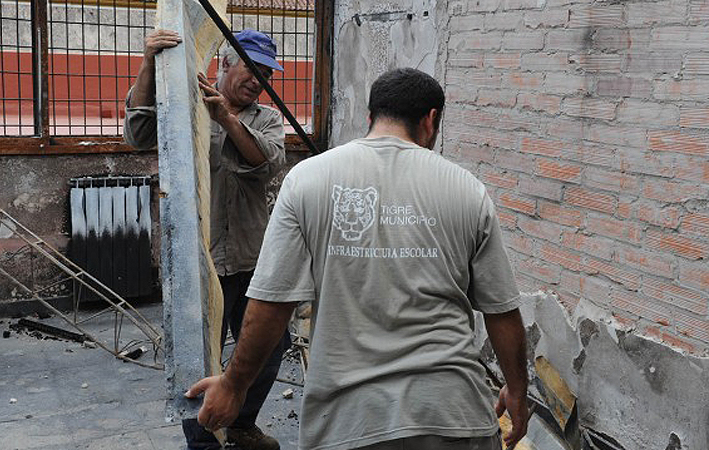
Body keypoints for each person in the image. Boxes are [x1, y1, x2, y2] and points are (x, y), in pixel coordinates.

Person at [186, 68, 530, 450]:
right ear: (431, 120)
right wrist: (517, 391)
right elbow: (502, 310)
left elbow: (272, 303)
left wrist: (234, 385)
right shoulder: (468, 190)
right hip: (455, 415)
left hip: (347, 422)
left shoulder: (307, 180)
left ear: (370, 117)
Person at [124, 29, 290, 450]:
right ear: (225, 63)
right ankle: (203, 444)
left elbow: (267, 163)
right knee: (197, 359)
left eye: (266, 73)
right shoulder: (184, 102)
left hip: (250, 257)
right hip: (199, 258)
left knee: (271, 345)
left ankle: (240, 421)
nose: (259, 80)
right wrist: (148, 64)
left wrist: (226, 120)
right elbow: (138, 134)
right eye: (252, 68)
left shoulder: (266, 119)